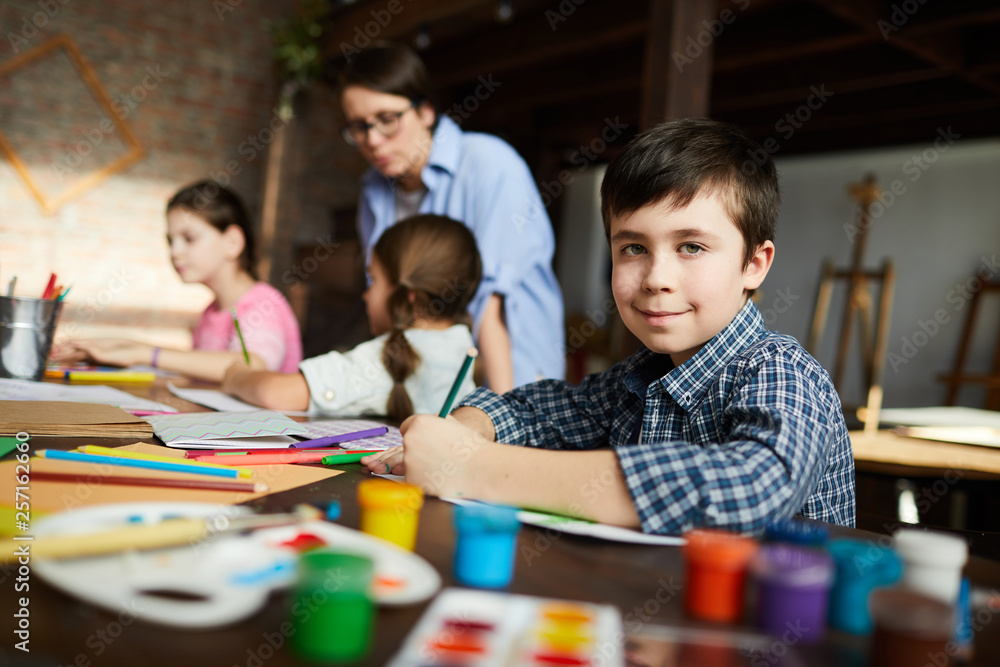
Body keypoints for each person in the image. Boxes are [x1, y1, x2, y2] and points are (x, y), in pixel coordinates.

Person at [361, 118, 856, 536]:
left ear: (754, 263)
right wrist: (462, 430)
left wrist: (473, 467)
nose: (657, 279)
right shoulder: (637, 378)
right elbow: (535, 410)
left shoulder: (783, 372)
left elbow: (752, 487)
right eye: (634, 248)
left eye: (692, 247)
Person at [339, 42, 564, 392]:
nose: (373, 141)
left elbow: (491, 304)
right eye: (359, 127)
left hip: (515, 378)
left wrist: (501, 414)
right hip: (434, 385)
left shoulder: (489, 164)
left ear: (426, 111)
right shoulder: (372, 188)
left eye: (387, 120)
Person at [222, 215, 481, 420]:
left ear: (409, 296)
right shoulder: (461, 345)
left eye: (373, 281)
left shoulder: (393, 355)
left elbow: (276, 394)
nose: (366, 296)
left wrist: (235, 375)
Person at [52, 181, 302, 383]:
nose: (175, 252)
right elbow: (199, 368)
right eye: (171, 241)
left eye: (189, 238)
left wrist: (144, 353)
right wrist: (122, 346)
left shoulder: (264, 304)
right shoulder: (209, 314)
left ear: (232, 242)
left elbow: (252, 365)